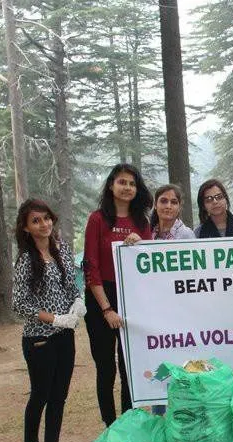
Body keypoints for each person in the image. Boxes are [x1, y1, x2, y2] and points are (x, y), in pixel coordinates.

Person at [12, 199, 84, 442]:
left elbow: (70, 284)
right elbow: (19, 304)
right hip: (39, 338)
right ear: (26, 228)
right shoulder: (26, 261)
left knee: (58, 395)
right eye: (36, 221)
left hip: (65, 334)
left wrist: (77, 301)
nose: (44, 225)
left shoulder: (62, 249)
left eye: (46, 218)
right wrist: (52, 318)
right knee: (43, 394)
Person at [84, 163, 152, 427]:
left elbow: (148, 265)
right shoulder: (97, 219)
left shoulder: (142, 222)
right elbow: (91, 266)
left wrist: (141, 244)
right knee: (106, 368)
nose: (127, 188)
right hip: (101, 298)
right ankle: (110, 426)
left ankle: (129, 422)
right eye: (122, 182)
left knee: (129, 368)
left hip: (131, 298)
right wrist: (106, 309)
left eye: (132, 184)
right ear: (111, 186)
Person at [150, 184, 193, 415]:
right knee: (159, 363)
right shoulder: (146, 233)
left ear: (179, 207)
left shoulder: (186, 235)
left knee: (181, 363)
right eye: (163, 201)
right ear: (155, 205)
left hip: (180, 311)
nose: (168, 206)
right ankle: (158, 415)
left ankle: (182, 416)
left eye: (173, 202)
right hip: (153, 312)